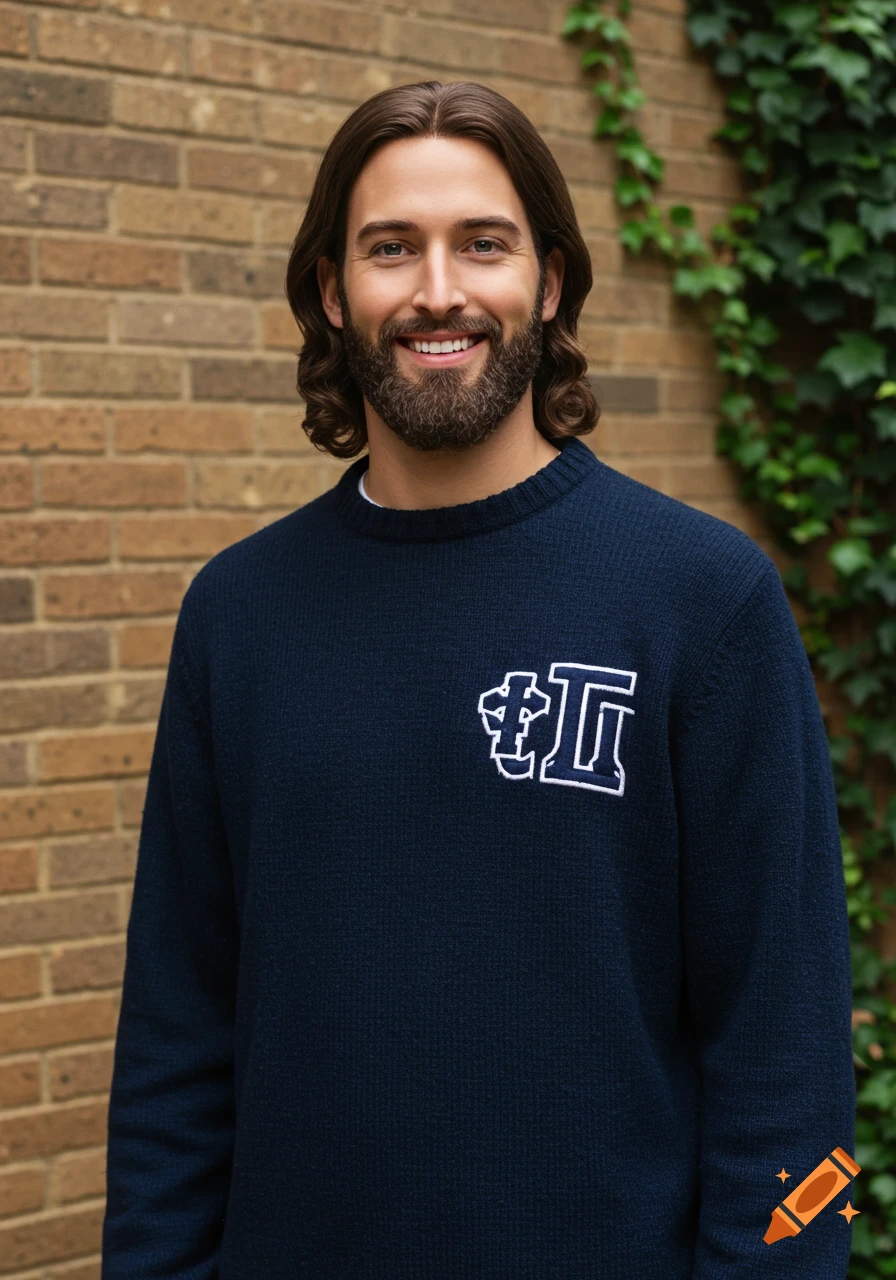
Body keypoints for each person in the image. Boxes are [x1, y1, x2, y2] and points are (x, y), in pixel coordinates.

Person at [100, 80, 856, 1279]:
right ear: (329, 290)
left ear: (548, 283)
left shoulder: (702, 600)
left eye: (482, 244)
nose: (438, 290)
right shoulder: (237, 615)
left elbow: (790, 1061)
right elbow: (174, 1047)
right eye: (390, 248)